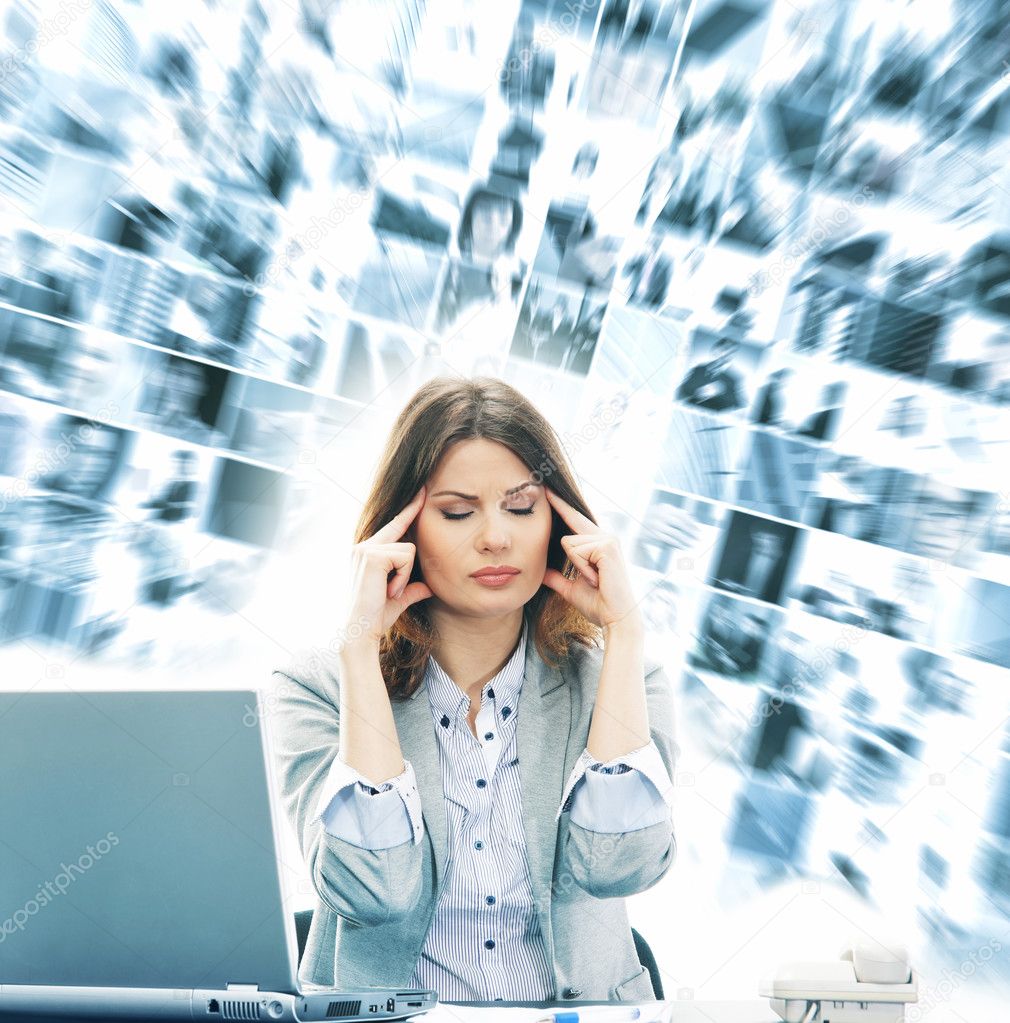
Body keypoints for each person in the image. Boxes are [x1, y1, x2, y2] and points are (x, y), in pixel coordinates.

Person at [269, 376, 677, 1001]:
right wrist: (359, 648)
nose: (495, 537)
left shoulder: (622, 677)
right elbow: (371, 890)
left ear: (559, 522)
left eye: (521, 507)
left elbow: (620, 867)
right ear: (402, 530)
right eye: (457, 512)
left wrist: (624, 631)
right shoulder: (316, 686)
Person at [676, 336, 745, 412]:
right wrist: (697, 393)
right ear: (714, 350)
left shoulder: (733, 378)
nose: (726, 354)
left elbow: (737, 406)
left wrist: (720, 395)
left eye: (731, 352)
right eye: (724, 349)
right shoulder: (699, 369)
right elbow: (682, 390)